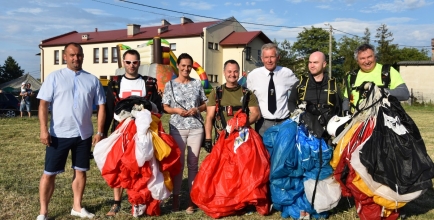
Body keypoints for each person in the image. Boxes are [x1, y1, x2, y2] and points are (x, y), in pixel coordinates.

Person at [36, 42, 106, 220]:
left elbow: (101, 106)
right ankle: (43, 212)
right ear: (64, 57)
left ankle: (77, 206)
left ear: (83, 56)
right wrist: (44, 130)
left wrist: (99, 132)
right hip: (58, 134)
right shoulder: (54, 77)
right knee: (49, 173)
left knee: (80, 171)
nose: (76, 58)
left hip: (83, 135)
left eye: (79, 55)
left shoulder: (92, 80)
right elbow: (43, 104)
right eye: (72, 55)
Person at [103, 49, 162, 217]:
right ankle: (116, 202)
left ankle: (139, 200)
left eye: (135, 62)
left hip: (142, 131)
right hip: (121, 130)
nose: (131, 65)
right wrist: (104, 132)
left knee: (142, 165)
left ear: (139, 63)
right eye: (128, 62)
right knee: (120, 165)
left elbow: (158, 107)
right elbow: (108, 109)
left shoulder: (149, 82)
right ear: (123, 63)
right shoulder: (115, 82)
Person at [162, 53, 207, 214]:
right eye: (183, 65)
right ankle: (175, 199)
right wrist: (176, 110)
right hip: (177, 127)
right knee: (179, 164)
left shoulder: (197, 84)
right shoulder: (170, 85)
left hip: (196, 127)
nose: (186, 68)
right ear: (178, 66)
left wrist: (197, 108)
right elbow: (165, 106)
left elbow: (205, 104)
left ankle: (191, 200)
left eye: (189, 66)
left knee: (193, 164)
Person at [204, 59, 260, 149]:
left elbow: (256, 114)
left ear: (239, 73)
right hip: (222, 138)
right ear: (224, 73)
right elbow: (209, 117)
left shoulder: (246, 93)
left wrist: (240, 124)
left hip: (241, 138)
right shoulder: (216, 93)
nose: (232, 75)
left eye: (235, 72)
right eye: (229, 71)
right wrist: (208, 139)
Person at [247, 43, 298, 136]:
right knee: (263, 150)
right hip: (262, 124)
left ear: (278, 57)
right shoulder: (253, 76)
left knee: (283, 150)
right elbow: (246, 98)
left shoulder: (287, 73)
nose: (269, 60)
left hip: (284, 124)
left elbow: (300, 90)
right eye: (266, 57)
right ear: (262, 58)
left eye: (272, 57)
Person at [288, 51, 342, 136]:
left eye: (315, 62)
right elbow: (291, 102)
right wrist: (296, 115)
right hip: (304, 134)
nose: (312, 65)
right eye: (310, 62)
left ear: (324, 64)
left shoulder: (332, 86)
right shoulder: (300, 85)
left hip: (326, 135)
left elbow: (339, 108)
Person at [343, 43, 410, 113]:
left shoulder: (387, 71)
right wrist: (346, 111)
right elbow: (346, 98)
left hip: (383, 120)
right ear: (357, 61)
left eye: (369, 57)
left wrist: (379, 92)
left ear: (375, 57)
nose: (366, 61)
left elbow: (404, 94)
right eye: (362, 58)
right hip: (357, 120)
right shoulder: (352, 76)